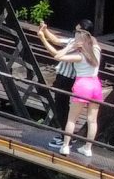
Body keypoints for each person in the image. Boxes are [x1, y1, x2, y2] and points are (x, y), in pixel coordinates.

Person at [39, 20, 104, 157]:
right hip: (96, 85)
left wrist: (43, 38)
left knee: (71, 118)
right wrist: (45, 32)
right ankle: (88, 148)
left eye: (77, 32)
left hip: (81, 85)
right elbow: (57, 40)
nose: (75, 34)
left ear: (82, 35)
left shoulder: (78, 53)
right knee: (92, 120)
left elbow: (57, 55)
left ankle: (65, 145)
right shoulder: (96, 47)